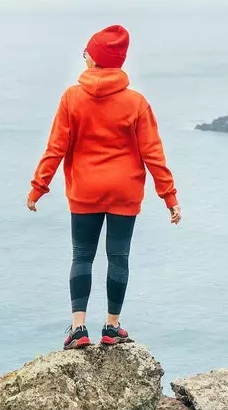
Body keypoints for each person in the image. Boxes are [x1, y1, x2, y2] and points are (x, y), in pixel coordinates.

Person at [27, 24, 180, 349]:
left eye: (87, 52)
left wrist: (39, 186)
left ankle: (78, 328)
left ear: (94, 60)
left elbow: (56, 147)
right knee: (118, 256)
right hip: (125, 190)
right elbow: (153, 153)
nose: (84, 57)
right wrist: (169, 197)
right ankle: (111, 327)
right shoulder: (136, 103)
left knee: (82, 256)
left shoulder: (72, 98)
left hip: (85, 190)